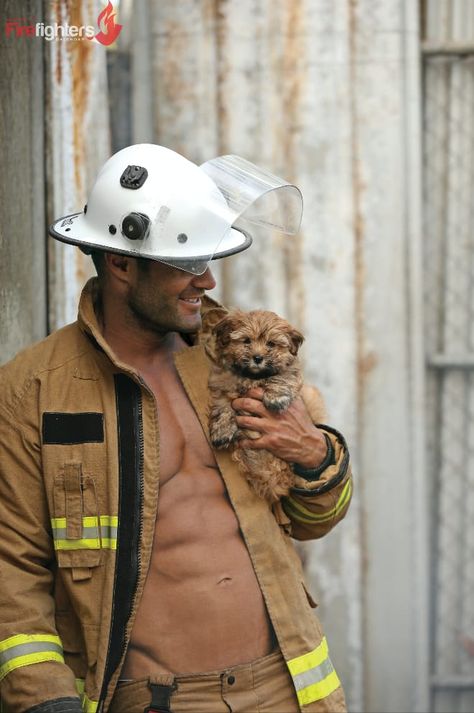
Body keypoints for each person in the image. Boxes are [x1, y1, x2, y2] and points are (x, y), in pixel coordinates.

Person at [0, 144, 352, 713]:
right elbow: (12, 571)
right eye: (186, 265)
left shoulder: (234, 356)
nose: (207, 281)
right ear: (121, 264)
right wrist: (47, 702)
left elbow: (318, 522)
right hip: (154, 698)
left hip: (289, 687)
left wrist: (314, 454)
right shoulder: (33, 391)